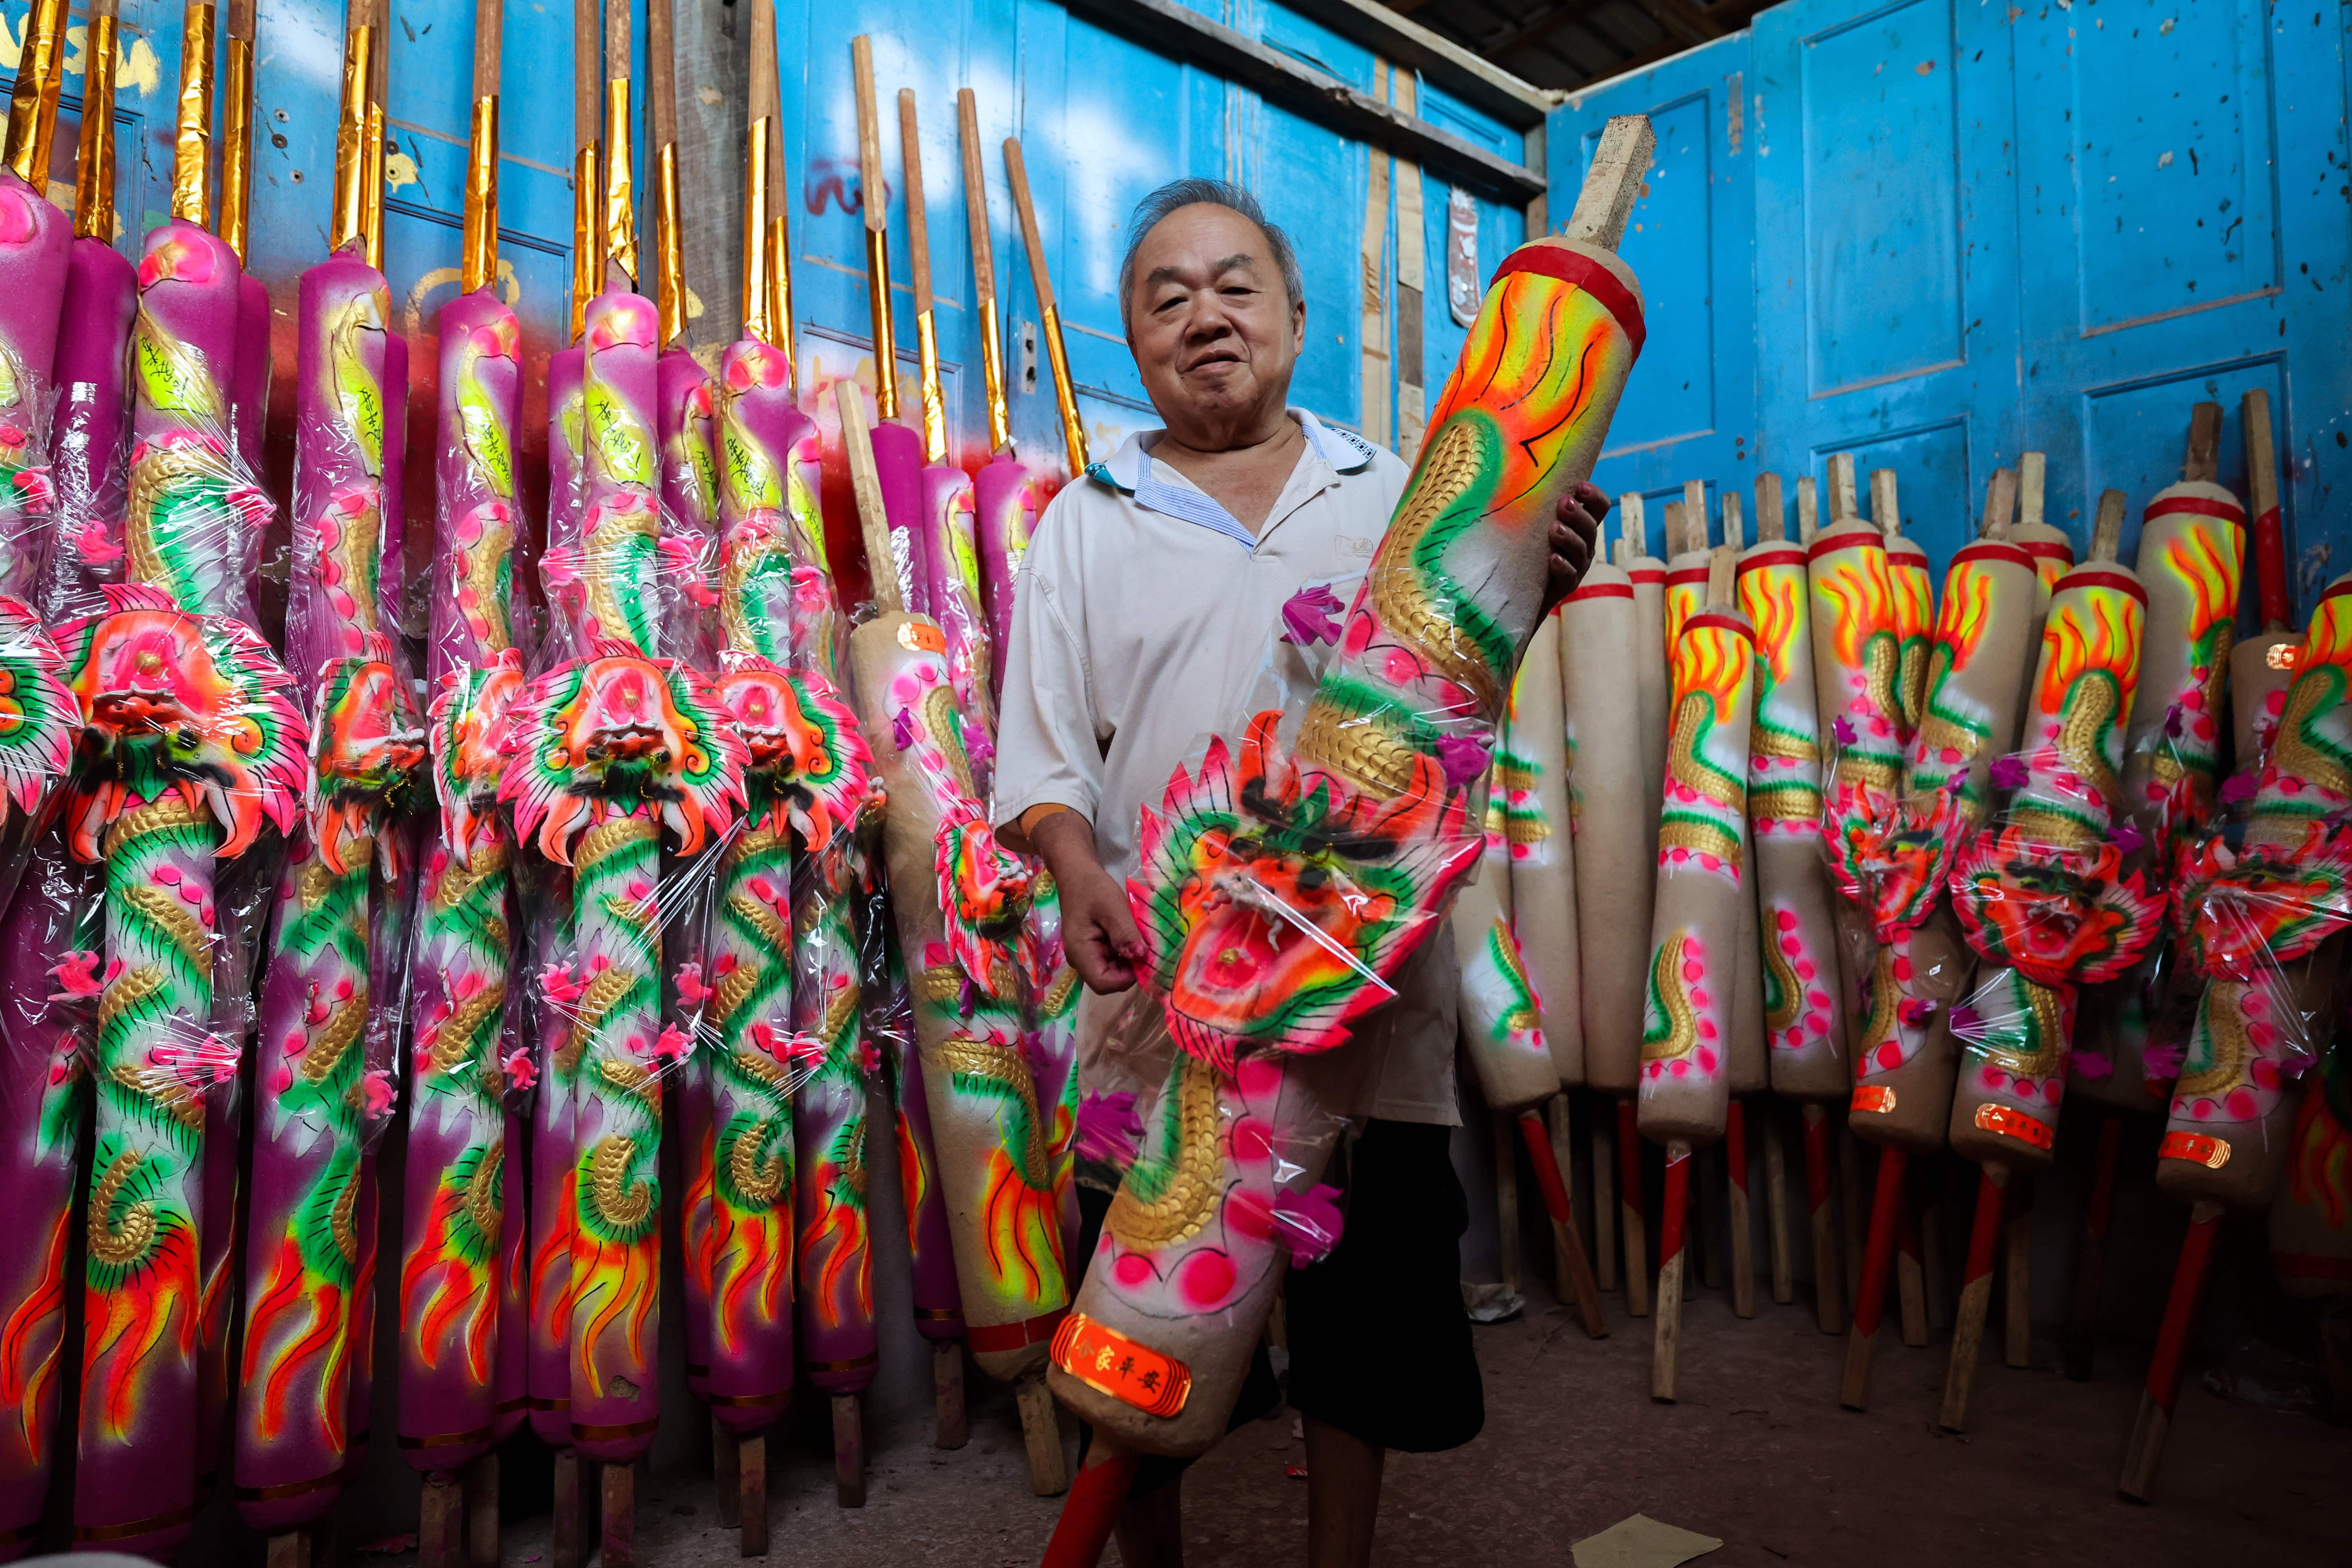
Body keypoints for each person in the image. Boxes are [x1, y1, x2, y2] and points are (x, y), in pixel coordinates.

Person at [993, 178, 1607, 1568]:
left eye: (1234, 285)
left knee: (1362, 1333)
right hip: (1165, 997)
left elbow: (1454, 692)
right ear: (1133, 341)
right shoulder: (1085, 521)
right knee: (1147, 1322)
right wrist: (1077, 866)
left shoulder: (1392, 489)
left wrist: (1533, 580)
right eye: (1168, 296)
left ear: (1293, 314)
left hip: (1366, 991)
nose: (1205, 316)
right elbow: (1040, 761)